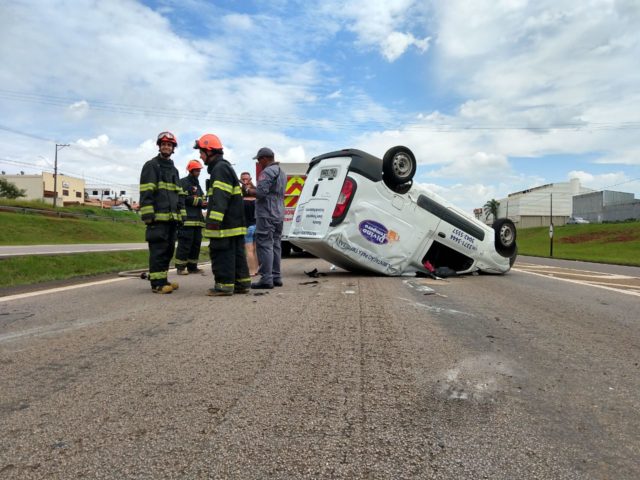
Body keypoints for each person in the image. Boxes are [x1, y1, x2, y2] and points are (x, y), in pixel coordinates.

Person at [194, 133, 251, 296]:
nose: (200, 156)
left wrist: (213, 221)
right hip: (234, 224)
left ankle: (224, 286)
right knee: (236, 254)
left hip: (224, 225)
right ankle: (241, 283)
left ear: (210, 151)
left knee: (222, 253)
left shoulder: (219, 169)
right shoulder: (225, 167)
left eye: (201, 152)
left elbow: (220, 197)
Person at [139, 131, 186, 294]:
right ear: (159, 147)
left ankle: (163, 279)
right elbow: (146, 191)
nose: (166, 147)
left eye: (169, 145)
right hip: (157, 219)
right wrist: (148, 215)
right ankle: (157, 284)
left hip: (172, 219)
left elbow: (179, 194)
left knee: (168, 251)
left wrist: (182, 215)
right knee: (158, 251)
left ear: (173, 148)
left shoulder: (174, 169)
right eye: (164, 144)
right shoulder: (151, 165)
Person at [246, 147, 286, 289]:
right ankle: (276, 277)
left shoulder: (267, 172)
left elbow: (261, 194)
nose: (258, 163)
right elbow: (271, 191)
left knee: (264, 245)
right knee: (275, 245)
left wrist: (247, 190)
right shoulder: (281, 172)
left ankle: (266, 279)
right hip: (278, 214)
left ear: (264, 158)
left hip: (266, 214)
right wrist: (254, 187)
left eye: (259, 160)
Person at [175, 159, 206, 275]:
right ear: (191, 171)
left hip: (198, 221)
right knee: (185, 244)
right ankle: (180, 267)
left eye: (199, 170)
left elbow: (202, 197)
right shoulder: (183, 182)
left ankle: (192, 267)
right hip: (187, 220)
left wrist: (204, 202)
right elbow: (182, 198)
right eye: (197, 170)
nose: (199, 172)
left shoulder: (197, 185)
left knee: (196, 245)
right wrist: (199, 202)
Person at [240, 171, 259, 276]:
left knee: (249, 251)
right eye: (243, 179)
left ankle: (252, 271)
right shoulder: (256, 196)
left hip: (247, 227)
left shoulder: (241, 198)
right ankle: (256, 269)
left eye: (246, 179)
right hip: (257, 226)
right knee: (255, 250)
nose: (245, 181)